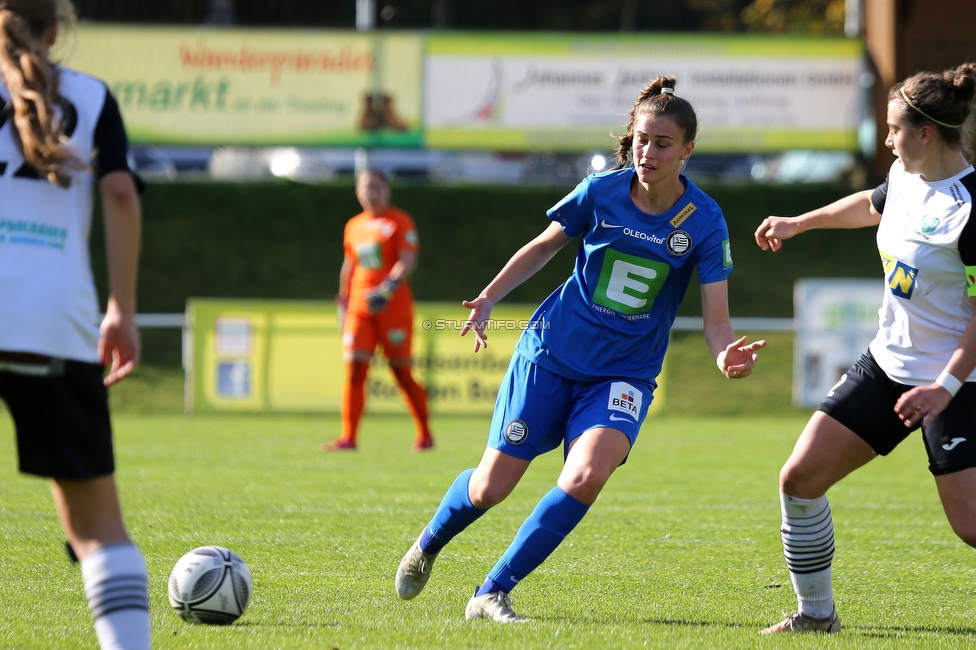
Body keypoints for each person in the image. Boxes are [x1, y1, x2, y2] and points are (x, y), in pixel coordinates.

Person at [394, 76, 766, 622]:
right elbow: (544, 247)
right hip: (551, 356)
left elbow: (716, 320)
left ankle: (491, 592)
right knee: (489, 488)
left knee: (587, 474)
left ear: (687, 150)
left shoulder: (704, 221)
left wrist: (723, 354)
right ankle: (428, 542)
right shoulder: (601, 190)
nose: (648, 152)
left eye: (663, 143)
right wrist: (491, 297)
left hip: (623, 375)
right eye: (642, 139)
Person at [753, 62, 976, 634]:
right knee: (798, 479)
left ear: (925, 133)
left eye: (894, 129)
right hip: (886, 367)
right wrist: (800, 222)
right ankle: (815, 616)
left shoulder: (970, 210)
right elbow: (870, 205)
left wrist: (942, 389)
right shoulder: (903, 178)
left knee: (971, 526)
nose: (886, 140)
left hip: (956, 384)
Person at [0, 1, 150, 648]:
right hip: (53, 321)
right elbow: (120, 194)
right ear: (57, 31)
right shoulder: (90, 98)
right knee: (97, 530)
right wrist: (120, 307)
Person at [321, 168, 434, 452]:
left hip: (392, 307)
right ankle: (349, 437)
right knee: (355, 368)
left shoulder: (399, 221)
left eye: (376, 187)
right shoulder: (354, 225)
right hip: (360, 307)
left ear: (387, 190)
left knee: (401, 372)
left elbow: (407, 260)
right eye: (365, 187)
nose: (371, 192)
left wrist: (388, 287)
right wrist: (344, 301)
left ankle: (425, 434)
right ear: (358, 192)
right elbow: (350, 265)